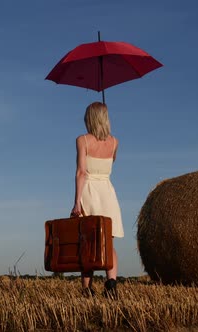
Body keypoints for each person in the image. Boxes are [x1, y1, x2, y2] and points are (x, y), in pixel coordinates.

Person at [71, 101, 124, 298]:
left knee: (88, 242)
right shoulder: (115, 142)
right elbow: (111, 163)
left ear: (89, 119)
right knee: (108, 243)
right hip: (108, 192)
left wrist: (77, 202)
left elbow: (81, 173)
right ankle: (111, 285)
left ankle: (87, 288)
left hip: (90, 191)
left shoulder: (82, 140)